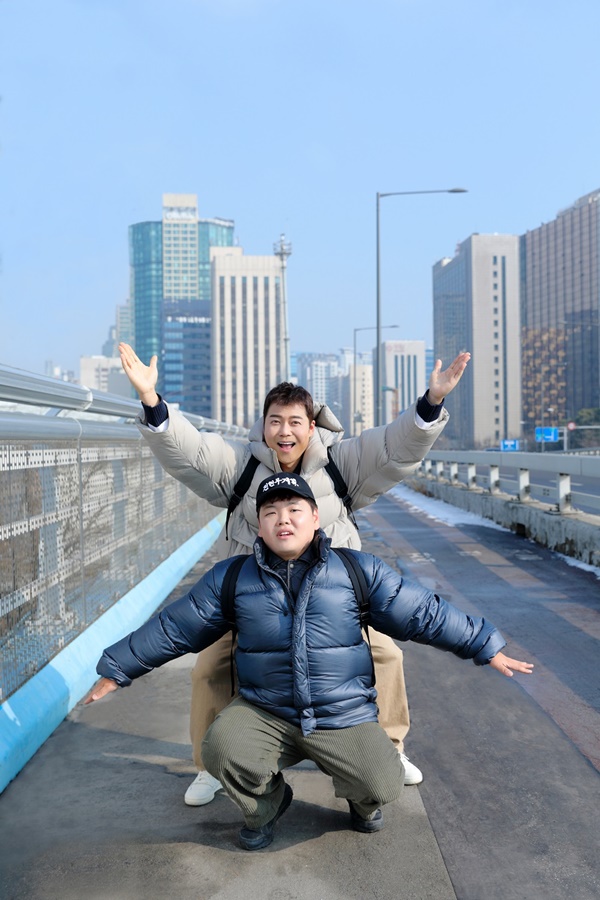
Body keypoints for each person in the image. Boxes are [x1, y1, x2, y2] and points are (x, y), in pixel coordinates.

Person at [86, 474, 533, 852]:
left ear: (316, 519)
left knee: (384, 782)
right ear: (258, 526)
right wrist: (117, 669)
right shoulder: (232, 578)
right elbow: (175, 627)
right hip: (266, 711)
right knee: (220, 746)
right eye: (271, 512)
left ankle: (363, 802)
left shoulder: (357, 570)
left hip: (341, 714)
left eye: (294, 509)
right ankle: (267, 806)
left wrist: (484, 644)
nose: (283, 519)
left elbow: (422, 613)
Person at [118, 342, 470, 805]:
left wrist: (430, 405)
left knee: (385, 655)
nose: (285, 432)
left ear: (311, 426)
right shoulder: (241, 468)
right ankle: (209, 766)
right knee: (210, 666)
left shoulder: (341, 464)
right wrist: (152, 402)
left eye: (295, 422)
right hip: (251, 600)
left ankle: (388, 748)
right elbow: (192, 452)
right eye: (275, 421)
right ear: (264, 427)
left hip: (335, 600)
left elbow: (391, 447)